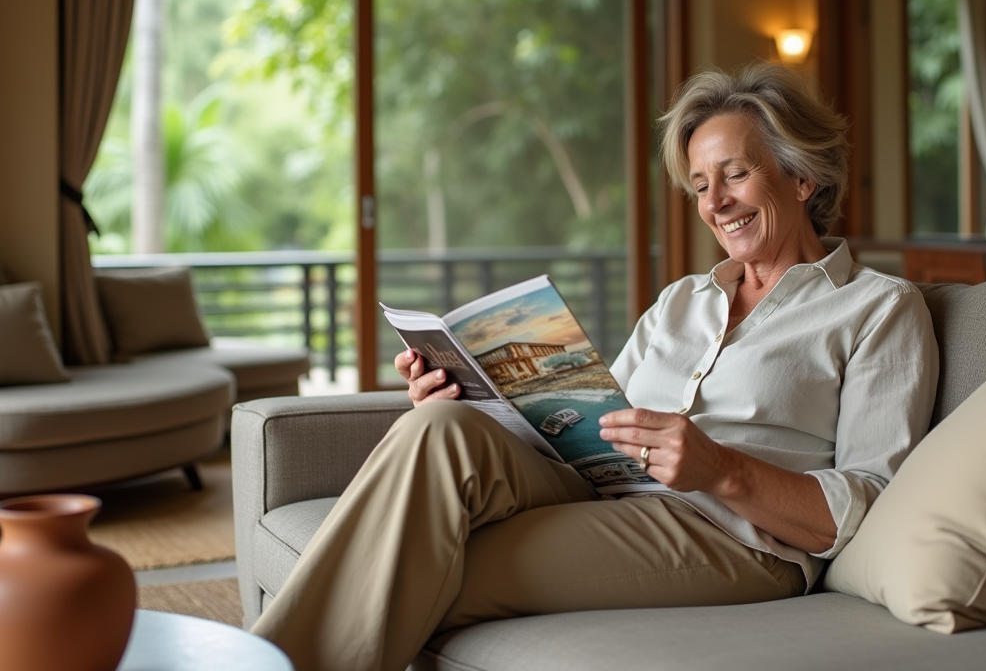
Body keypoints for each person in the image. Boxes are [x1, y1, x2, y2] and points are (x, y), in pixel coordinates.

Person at [252, 62, 939, 671]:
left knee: (412, 568)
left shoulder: (878, 308)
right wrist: (470, 400)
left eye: (735, 174)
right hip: (605, 491)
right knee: (436, 429)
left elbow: (869, 501)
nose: (714, 203)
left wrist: (721, 469)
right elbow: (593, 427)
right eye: (701, 185)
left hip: (732, 537)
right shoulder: (682, 301)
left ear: (803, 177)